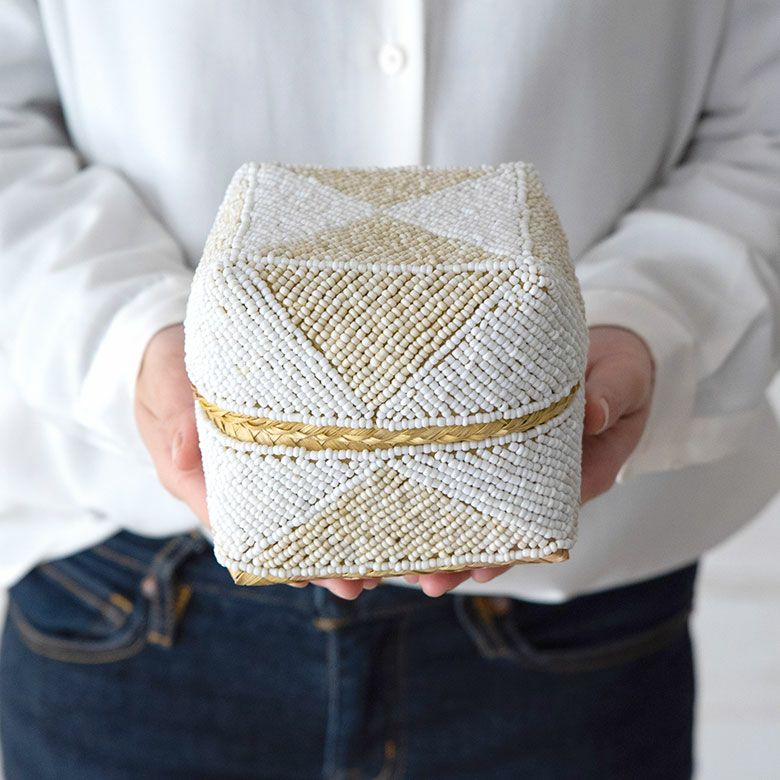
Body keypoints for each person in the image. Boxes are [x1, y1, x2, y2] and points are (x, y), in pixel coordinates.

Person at [0, 1, 778, 778]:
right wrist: (129, 337)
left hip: (582, 631)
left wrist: (650, 317)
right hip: (126, 606)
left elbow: (763, 125)